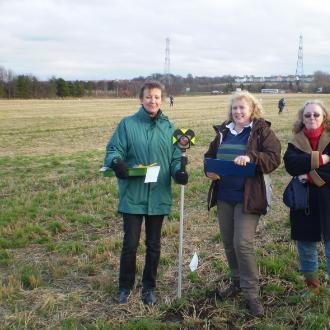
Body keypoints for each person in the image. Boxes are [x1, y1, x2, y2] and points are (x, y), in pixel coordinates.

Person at [104, 80, 188, 305]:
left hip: (158, 194)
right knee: (130, 244)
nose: (153, 101)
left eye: (157, 97)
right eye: (149, 97)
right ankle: (125, 286)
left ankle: (149, 287)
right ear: (141, 99)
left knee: (154, 244)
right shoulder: (127, 124)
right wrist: (116, 162)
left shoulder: (169, 128)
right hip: (134, 194)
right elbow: (114, 149)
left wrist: (179, 172)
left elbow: (175, 158)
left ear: (162, 100)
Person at [204, 91, 281, 317]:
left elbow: (275, 158)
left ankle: (252, 293)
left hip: (249, 196)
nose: (238, 112)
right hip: (225, 195)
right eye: (235, 108)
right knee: (228, 242)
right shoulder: (223, 132)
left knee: (243, 244)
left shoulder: (261, 132)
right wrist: (209, 170)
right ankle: (237, 281)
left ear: (252, 110)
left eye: (242, 108)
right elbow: (209, 156)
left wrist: (252, 158)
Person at [283, 99, 330, 315]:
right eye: (307, 115)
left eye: (316, 114)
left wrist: (309, 176)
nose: (311, 118)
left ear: (324, 117)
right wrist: (321, 159)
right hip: (305, 203)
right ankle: (312, 289)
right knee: (306, 247)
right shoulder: (295, 141)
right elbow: (291, 165)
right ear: (301, 118)